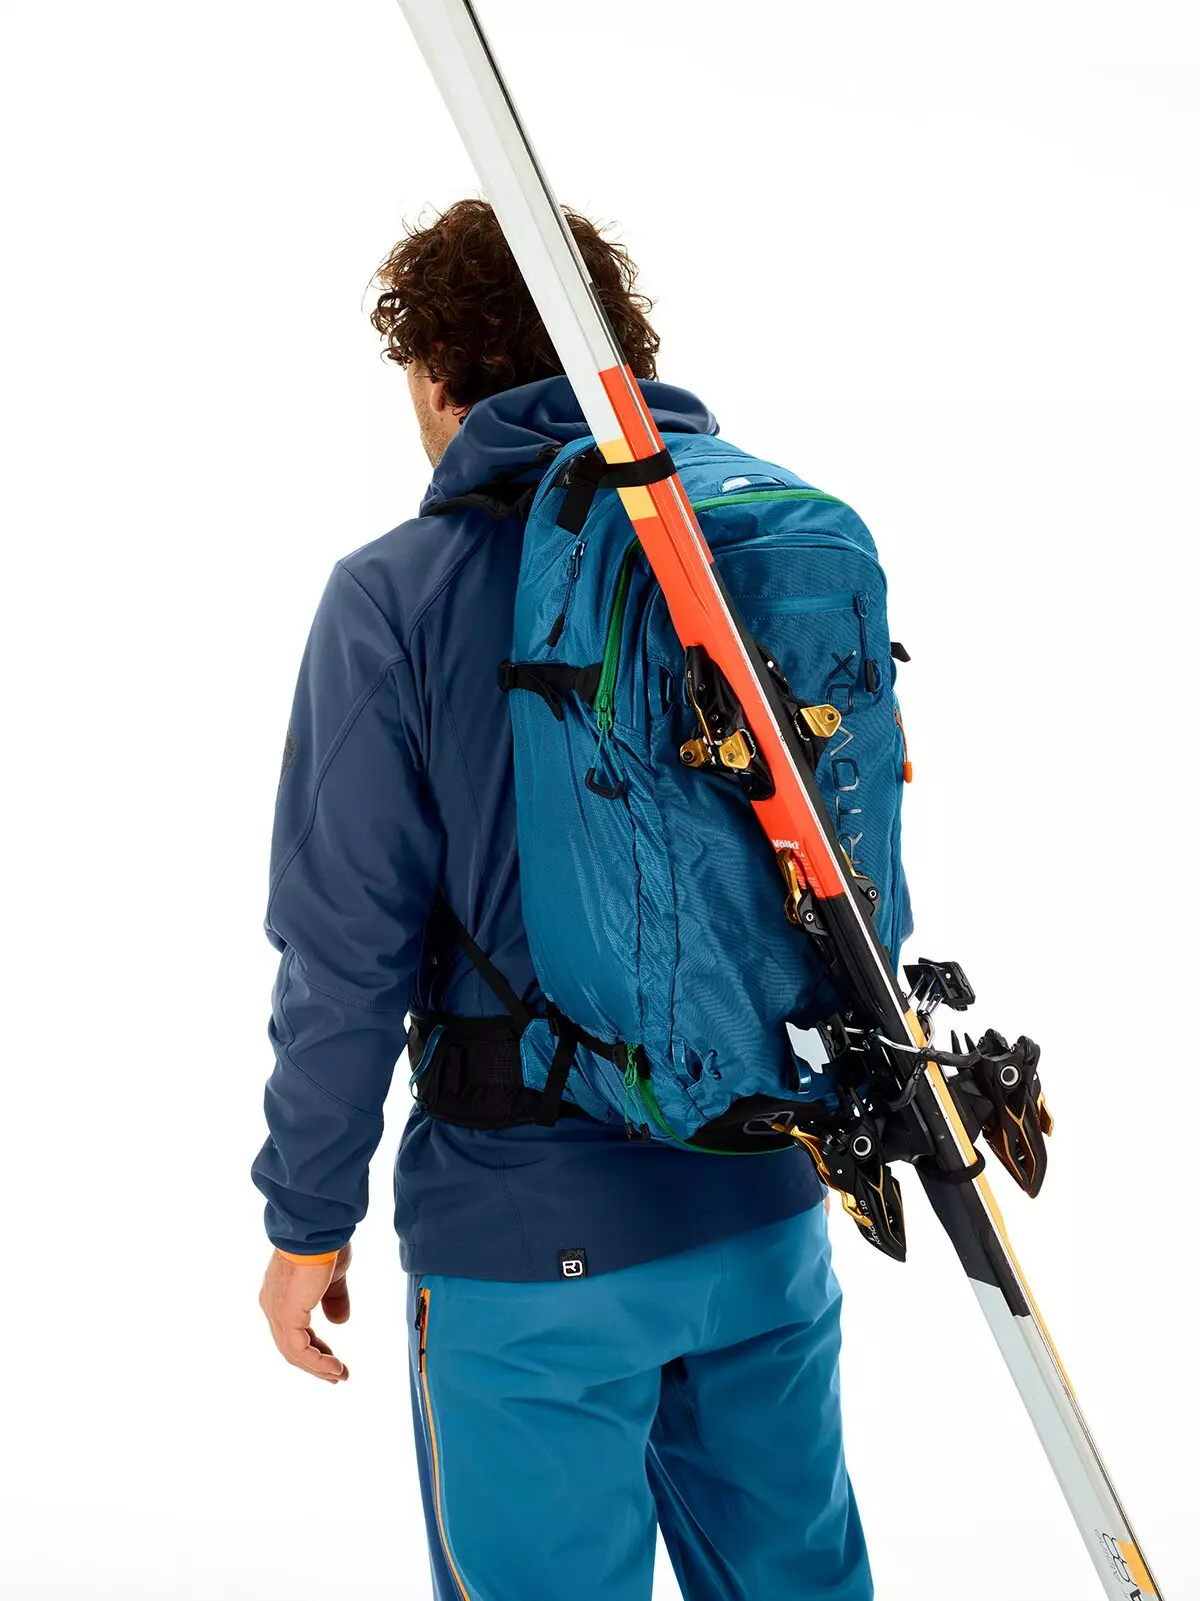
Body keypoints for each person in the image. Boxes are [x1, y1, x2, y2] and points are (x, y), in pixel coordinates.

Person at [253, 198, 873, 1601]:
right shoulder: (732, 549)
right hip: (763, 1204)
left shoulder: (396, 596)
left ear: (436, 376)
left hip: (531, 1249)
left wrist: (305, 1218)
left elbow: (343, 951)